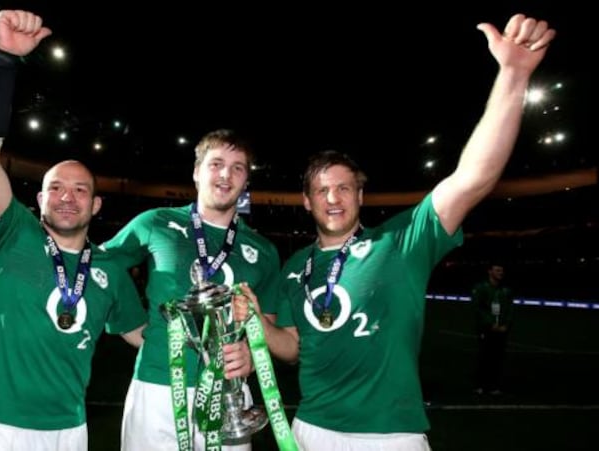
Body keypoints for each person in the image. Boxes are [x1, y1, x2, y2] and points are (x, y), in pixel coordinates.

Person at [234, 13, 556, 450]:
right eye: (322, 190)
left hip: (390, 436)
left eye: (344, 187)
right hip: (309, 430)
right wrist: (257, 323)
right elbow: (292, 347)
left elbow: (474, 176)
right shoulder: (295, 267)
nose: (333, 198)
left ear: (360, 196)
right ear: (307, 202)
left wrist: (513, 75)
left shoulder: (401, 241)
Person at [0, 10, 147, 450]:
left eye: (80, 190)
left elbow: (144, 338)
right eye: (55, 187)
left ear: (96, 205)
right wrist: (2, 60)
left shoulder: (111, 271)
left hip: (69, 429)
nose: (66, 196)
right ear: (38, 200)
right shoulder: (10, 233)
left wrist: (214, 340)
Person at [100, 128, 282, 450]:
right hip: (157, 387)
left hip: (231, 395)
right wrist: (126, 323)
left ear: (245, 182)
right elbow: (97, 265)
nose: (226, 174)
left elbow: (265, 323)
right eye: (216, 164)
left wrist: (252, 356)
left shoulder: (263, 250)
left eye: (238, 167)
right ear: (197, 172)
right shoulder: (156, 222)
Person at [472, 262, 515, 395]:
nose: (500, 273)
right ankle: (480, 385)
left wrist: (505, 325)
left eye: (501, 271)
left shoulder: (506, 290)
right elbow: (477, 308)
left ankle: (494, 386)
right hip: (486, 329)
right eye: (497, 270)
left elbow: (510, 310)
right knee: (484, 357)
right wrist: (490, 324)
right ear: (489, 272)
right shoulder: (481, 288)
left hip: (501, 330)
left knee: (498, 358)